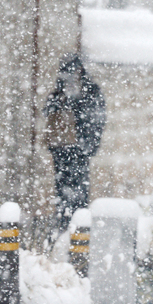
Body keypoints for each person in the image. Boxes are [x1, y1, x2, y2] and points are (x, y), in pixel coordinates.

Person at [44, 53, 106, 241]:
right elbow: (49, 112)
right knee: (63, 191)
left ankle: (77, 230)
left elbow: (97, 119)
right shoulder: (60, 92)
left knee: (78, 192)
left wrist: (87, 145)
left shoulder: (90, 91)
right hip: (63, 150)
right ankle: (65, 226)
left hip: (78, 151)